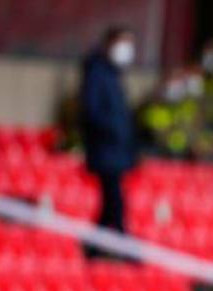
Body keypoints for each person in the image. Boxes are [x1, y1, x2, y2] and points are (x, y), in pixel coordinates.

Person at [79, 27, 138, 247]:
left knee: (110, 204)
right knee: (114, 201)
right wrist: (113, 131)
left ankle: (94, 248)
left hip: (117, 151)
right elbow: (92, 111)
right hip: (105, 150)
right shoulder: (97, 72)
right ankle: (121, 242)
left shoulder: (114, 74)